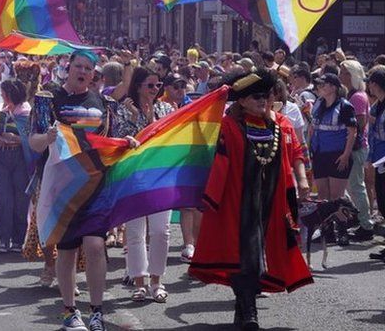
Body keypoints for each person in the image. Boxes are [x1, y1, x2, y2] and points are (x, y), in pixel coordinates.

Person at [189, 70, 313, 330]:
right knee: (244, 256)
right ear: (242, 101)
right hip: (238, 203)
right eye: (256, 96)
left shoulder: (277, 126)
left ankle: (243, 307)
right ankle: (249, 311)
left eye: (266, 96)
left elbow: (293, 154)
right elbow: (208, 149)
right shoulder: (229, 126)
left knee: (258, 258)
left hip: (270, 203)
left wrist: (301, 181)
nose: (263, 101)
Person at [29, 49, 120, 331]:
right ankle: (70, 312)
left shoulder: (104, 104)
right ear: (68, 68)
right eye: (77, 66)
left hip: (95, 184)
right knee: (66, 251)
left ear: (94, 74)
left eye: (88, 68)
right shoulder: (48, 99)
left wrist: (126, 141)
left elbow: (110, 142)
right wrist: (48, 137)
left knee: (95, 245)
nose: (82, 71)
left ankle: (96, 311)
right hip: (62, 186)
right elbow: (34, 142)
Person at [112, 68, 174, 304]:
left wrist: (144, 117)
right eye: (150, 85)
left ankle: (157, 281)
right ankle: (139, 281)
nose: (155, 90)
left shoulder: (166, 109)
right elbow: (124, 140)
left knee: (161, 231)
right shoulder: (122, 110)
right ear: (138, 86)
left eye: (158, 85)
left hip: (160, 177)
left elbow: (163, 137)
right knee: (136, 232)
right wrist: (135, 114)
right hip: (134, 177)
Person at [308, 73, 357, 243]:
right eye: (319, 85)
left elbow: (353, 132)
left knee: (337, 197)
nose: (320, 88)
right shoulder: (318, 104)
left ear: (334, 88)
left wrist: (345, 155)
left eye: (324, 85)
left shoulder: (345, 106)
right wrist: (309, 149)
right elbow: (312, 129)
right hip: (320, 155)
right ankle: (327, 231)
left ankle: (342, 231)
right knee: (323, 196)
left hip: (338, 156)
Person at [0, 79, 33, 254]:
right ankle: (4, 239)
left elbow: (31, 137)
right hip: (2, 157)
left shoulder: (26, 112)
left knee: (20, 200)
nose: (1, 95)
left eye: (3, 92)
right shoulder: (4, 112)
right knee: (4, 199)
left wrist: (16, 139)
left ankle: (18, 239)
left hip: (20, 159)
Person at [339, 60, 376, 241]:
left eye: (344, 72)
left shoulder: (357, 97)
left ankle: (365, 224)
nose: (340, 75)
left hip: (356, 148)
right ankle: (359, 219)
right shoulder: (354, 95)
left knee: (356, 186)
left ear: (351, 75)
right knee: (352, 186)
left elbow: (359, 126)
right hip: (355, 147)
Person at [367, 69, 385, 259]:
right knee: (381, 198)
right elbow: (371, 134)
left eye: (371, 82)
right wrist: (369, 158)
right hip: (378, 155)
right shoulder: (376, 105)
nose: (369, 86)